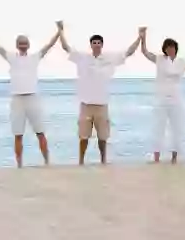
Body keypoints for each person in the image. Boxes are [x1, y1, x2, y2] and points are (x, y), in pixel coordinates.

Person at [57, 22, 142, 165]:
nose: (96, 44)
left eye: (99, 42)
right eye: (94, 42)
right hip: (86, 105)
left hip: (102, 105)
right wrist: (60, 31)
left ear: (102, 45)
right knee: (83, 137)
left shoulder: (109, 59)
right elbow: (66, 47)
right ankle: (81, 161)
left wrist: (140, 36)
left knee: (103, 137)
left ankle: (103, 160)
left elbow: (129, 52)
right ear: (91, 45)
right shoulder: (83, 58)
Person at [0, 23, 59, 168]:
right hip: (17, 99)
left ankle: (47, 161)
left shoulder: (34, 57)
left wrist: (59, 31)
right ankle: (19, 164)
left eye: (25, 43)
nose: (23, 45)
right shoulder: (12, 57)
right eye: (20, 43)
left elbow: (49, 46)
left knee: (40, 132)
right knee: (18, 134)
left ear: (29, 44)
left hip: (32, 97)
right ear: (17, 45)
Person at [140, 28, 185, 164]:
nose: (170, 49)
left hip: (176, 100)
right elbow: (144, 52)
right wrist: (143, 37)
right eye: (168, 48)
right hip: (161, 99)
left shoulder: (181, 62)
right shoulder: (160, 59)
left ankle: (174, 158)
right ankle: (156, 158)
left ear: (176, 48)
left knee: (177, 129)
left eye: (172, 47)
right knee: (158, 128)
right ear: (164, 49)